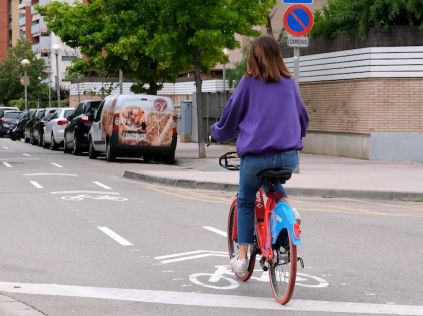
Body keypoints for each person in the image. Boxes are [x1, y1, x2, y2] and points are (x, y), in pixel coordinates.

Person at [210, 35, 309, 274]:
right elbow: (303, 117)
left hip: (257, 157)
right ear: (278, 55)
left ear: (252, 57)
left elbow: (231, 116)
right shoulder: (288, 82)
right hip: (288, 156)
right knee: (273, 184)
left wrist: (217, 133)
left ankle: (242, 257)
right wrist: (297, 135)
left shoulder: (248, 82)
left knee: (245, 200)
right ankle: (286, 207)